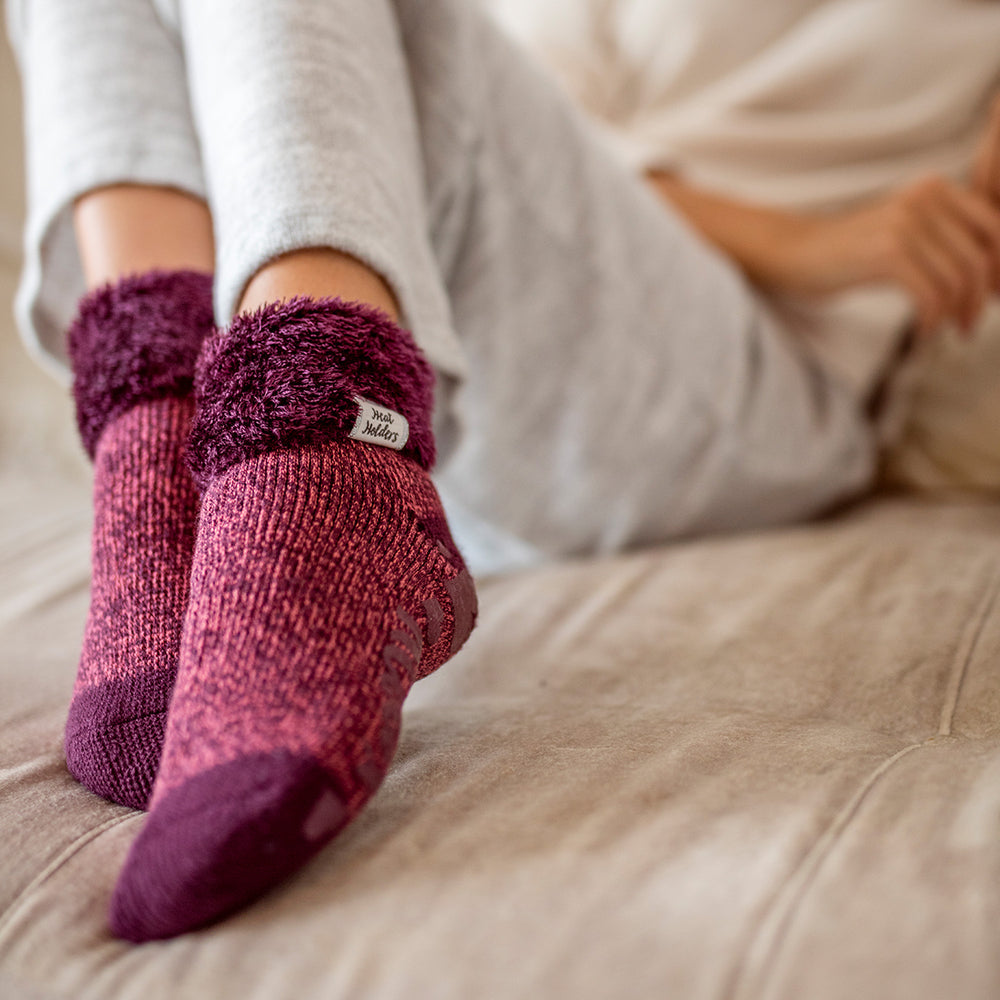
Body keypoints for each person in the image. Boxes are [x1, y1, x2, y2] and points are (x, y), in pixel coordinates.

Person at [7, 0, 986, 942]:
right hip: (481, 363)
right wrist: (810, 235)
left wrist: (839, 249)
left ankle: (325, 446)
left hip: (764, 388)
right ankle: (183, 462)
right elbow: (457, 132)